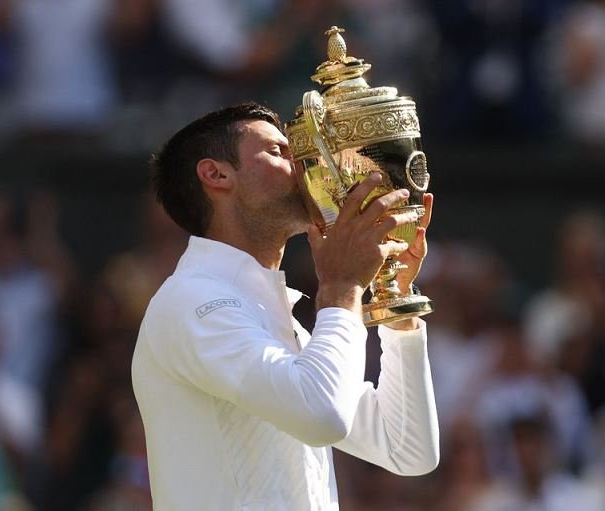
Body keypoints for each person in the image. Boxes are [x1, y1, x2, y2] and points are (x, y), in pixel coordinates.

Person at [131, 101, 440, 510]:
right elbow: (322, 415)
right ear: (216, 174)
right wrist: (343, 287)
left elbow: (407, 449)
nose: (304, 166)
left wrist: (394, 296)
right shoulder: (191, 301)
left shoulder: (271, 317)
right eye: (279, 152)